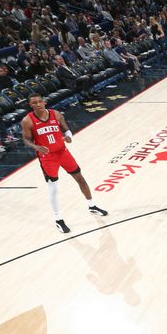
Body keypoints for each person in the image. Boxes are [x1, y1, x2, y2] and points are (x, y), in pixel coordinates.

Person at [21, 93, 108, 233]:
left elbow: (66, 129)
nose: (38, 104)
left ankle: (92, 205)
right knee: (54, 188)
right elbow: (26, 139)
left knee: (80, 178)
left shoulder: (56, 114)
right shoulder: (27, 121)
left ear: (44, 102)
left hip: (62, 152)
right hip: (47, 157)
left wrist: (68, 137)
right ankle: (58, 219)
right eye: (34, 102)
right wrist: (36, 147)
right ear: (30, 105)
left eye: (40, 101)